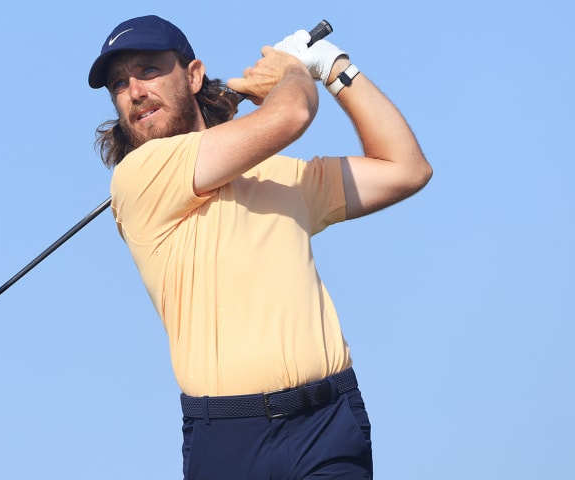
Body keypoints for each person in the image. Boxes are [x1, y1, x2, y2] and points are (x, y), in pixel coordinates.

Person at [88, 15, 431, 480]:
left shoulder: (279, 175)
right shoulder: (138, 177)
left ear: (192, 76)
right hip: (227, 440)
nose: (133, 90)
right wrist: (292, 70)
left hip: (325, 425)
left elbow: (406, 168)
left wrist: (334, 68)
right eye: (119, 83)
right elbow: (291, 114)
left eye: (148, 70)